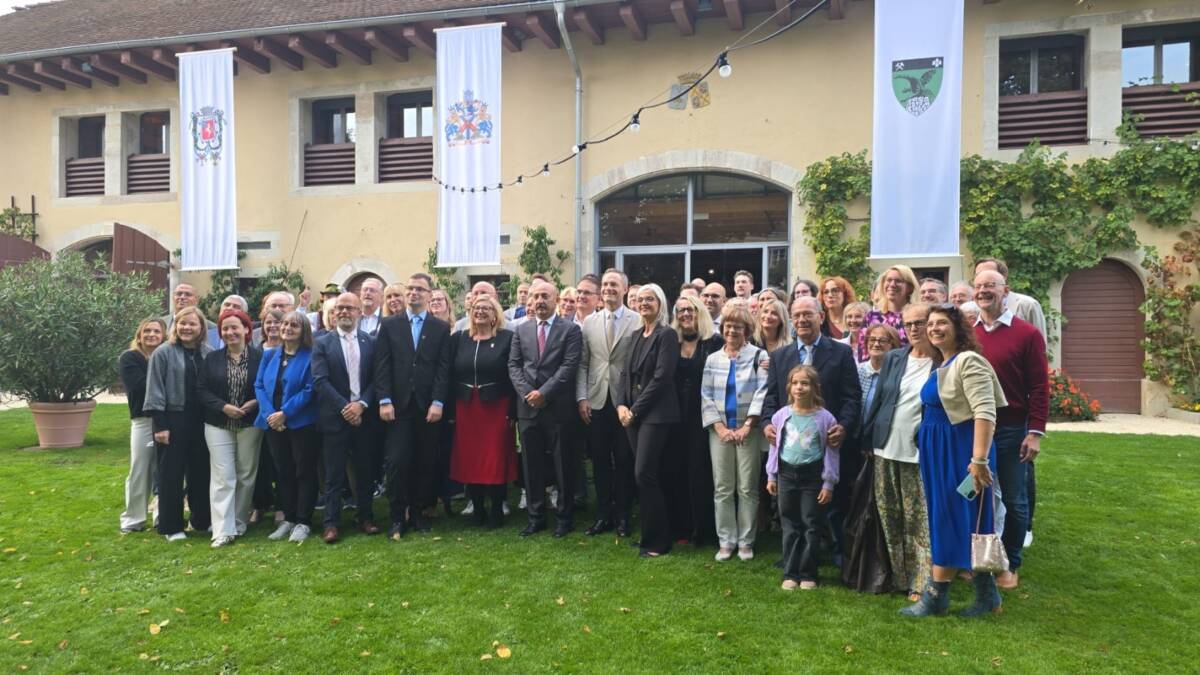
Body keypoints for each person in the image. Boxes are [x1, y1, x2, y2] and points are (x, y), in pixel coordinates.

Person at [901, 304, 1007, 618]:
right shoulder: (943, 363)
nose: (933, 328)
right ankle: (966, 596)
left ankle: (949, 597)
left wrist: (978, 461)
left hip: (962, 456)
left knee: (969, 520)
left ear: (958, 328)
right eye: (930, 323)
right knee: (948, 519)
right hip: (938, 456)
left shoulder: (969, 361)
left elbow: (985, 413)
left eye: (942, 323)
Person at [762, 297, 860, 564]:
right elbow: (771, 397)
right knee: (792, 508)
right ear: (791, 319)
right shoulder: (780, 356)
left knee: (832, 502)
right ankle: (794, 558)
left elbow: (852, 397)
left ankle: (838, 553)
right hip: (792, 447)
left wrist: (844, 426)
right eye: (797, 315)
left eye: (808, 314)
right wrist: (767, 423)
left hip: (828, 443)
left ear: (821, 316)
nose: (802, 320)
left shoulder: (840, 353)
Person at [973, 270, 1049, 590]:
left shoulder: (1027, 333)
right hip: (974, 430)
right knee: (974, 496)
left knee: (1015, 502)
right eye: (978, 286)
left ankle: (1009, 562)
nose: (983, 291)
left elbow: (1040, 386)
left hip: (1011, 430)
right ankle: (979, 560)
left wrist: (1035, 432)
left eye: (990, 286)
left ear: (1006, 291)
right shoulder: (967, 332)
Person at [860, 304, 936, 601]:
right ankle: (898, 576)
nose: (915, 328)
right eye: (910, 323)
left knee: (918, 519)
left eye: (921, 322)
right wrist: (867, 440)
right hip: (885, 448)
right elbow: (879, 400)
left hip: (919, 452)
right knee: (889, 517)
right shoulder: (894, 357)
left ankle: (921, 581)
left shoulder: (943, 361)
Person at [375, 273, 452, 538]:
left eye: (420, 289)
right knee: (397, 461)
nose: (414, 293)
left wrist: (438, 401)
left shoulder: (440, 328)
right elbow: (382, 364)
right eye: (410, 289)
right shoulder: (389, 325)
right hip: (397, 406)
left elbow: (444, 368)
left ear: (430, 295)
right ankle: (398, 517)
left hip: (428, 407)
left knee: (424, 461)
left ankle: (417, 514)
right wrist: (384, 400)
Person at [509, 279, 583, 538]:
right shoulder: (521, 330)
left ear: (555, 301)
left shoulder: (571, 330)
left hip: (558, 408)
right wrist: (528, 394)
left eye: (545, 296)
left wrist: (544, 393)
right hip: (527, 407)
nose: (540, 301)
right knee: (531, 465)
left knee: (563, 463)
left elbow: (568, 367)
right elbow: (514, 366)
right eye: (535, 296)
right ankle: (536, 516)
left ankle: (564, 517)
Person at [701, 304, 770, 562]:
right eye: (728, 326)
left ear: (747, 330)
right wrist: (718, 427)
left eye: (738, 326)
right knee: (722, 488)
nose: (732, 330)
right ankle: (726, 541)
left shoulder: (759, 356)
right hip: (719, 431)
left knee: (747, 487)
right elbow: (706, 395)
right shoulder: (712, 359)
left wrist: (747, 425)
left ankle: (746, 541)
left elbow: (762, 391)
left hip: (747, 431)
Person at [616, 284, 680, 558]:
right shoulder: (634, 335)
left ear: (660, 303)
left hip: (656, 414)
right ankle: (649, 534)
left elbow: (662, 378)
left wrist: (635, 411)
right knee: (643, 476)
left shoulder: (667, 336)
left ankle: (658, 541)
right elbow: (624, 375)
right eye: (640, 300)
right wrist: (620, 404)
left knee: (644, 473)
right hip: (632, 414)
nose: (644, 304)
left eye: (649, 299)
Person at [312, 292, 380, 543]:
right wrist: (346, 408)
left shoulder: (370, 342)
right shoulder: (322, 343)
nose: (343, 312)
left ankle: (366, 517)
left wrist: (361, 405)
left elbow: (376, 379)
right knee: (334, 474)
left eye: (349, 308)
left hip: (364, 418)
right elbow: (320, 380)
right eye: (339, 308)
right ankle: (331, 523)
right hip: (335, 418)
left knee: (364, 472)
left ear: (359, 312)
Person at [577, 269, 640, 537]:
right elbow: (583, 362)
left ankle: (623, 517)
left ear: (625, 289)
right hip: (596, 401)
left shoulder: (637, 320)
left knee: (624, 461)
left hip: (624, 402)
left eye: (614, 284)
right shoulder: (589, 322)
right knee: (600, 461)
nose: (608, 288)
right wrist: (581, 397)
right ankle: (603, 515)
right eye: (605, 284)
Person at [766, 365, 840, 590]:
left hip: (813, 477)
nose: (800, 387)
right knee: (789, 523)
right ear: (789, 387)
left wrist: (828, 482)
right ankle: (790, 572)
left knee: (811, 523)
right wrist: (771, 475)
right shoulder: (781, 415)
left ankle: (808, 573)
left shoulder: (825, 418)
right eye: (795, 383)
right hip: (787, 475)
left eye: (805, 383)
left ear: (815, 387)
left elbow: (832, 452)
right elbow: (775, 448)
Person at [144, 306, 212, 541]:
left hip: (202, 421)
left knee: (201, 472)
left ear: (201, 328)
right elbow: (154, 390)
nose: (187, 327)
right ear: (176, 326)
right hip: (172, 419)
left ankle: (202, 520)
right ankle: (171, 526)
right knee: (170, 475)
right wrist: (160, 425)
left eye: (192, 324)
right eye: (182, 323)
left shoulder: (208, 352)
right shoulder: (163, 353)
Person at [449, 295, 518, 528]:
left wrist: (513, 411)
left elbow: (514, 376)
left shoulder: (507, 338)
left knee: (495, 459)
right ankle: (477, 509)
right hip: (467, 407)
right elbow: (450, 373)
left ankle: (497, 509)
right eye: (477, 308)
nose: (481, 312)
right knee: (471, 459)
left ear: (495, 313)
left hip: (497, 407)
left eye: (487, 308)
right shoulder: (459, 339)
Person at [197, 309, 263, 548]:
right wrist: (224, 407)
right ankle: (222, 530)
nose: (230, 332)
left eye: (235, 327)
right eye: (225, 328)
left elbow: (266, 386)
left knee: (246, 473)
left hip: (250, 423)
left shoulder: (260, 357)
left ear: (246, 329)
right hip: (218, 423)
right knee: (224, 475)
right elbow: (201, 390)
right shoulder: (212, 359)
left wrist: (255, 402)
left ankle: (239, 521)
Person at [254, 310, 320, 543]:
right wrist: (271, 414)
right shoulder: (270, 355)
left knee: (304, 471)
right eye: (285, 324)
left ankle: (303, 521)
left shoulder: (311, 355)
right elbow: (259, 384)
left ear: (304, 331)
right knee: (283, 472)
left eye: (294, 325)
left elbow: (310, 389)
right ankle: (289, 518)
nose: (287, 328)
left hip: (301, 423)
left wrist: (285, 413)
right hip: (273, 424)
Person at [669, 293, 722, 547]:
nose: (685, 315)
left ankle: (704, 530)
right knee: (676, 471)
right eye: (680, 311)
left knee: (701, 474)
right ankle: (680, 527)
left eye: (690, 310)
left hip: (704, 417)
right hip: (674, 416)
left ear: (699, 312)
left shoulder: (714, 342)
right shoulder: (671, 342)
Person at [118, 318, 167, 534]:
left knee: (164, 468)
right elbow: (139, 387)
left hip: (166, 419)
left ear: (163, 335)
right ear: (139, 334)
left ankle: (161, 515)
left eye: (156, 331)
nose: (151, 334)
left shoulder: (166, 355)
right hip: (143, 419)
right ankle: (133, 518)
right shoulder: (130, 358)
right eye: (147, 330)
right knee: (140, 468)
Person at [857, 265, 919, 362]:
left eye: (898, 281)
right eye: (889, 280)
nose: (892, 284)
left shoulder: (916, 317)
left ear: (910, 288)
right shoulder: (871, 317)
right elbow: (863, 352)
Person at [974, 258, 1047, 337]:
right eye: (978, 275)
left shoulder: (1027, 305)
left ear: (1003, 277)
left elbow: (1040, 342)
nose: (983, 277)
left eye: (989, 273)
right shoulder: (974, 308)